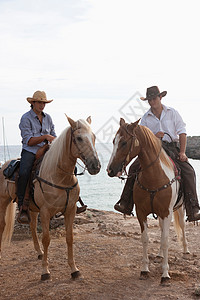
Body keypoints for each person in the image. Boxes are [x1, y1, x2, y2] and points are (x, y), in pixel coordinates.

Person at [114, 86, 200, 222]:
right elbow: (142, 138)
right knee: (133, 168)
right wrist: (154, 136)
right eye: (149, 99)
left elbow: (182, 133)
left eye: (154, 98)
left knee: (188, 170)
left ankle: (193, 208)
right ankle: (126, 203)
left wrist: (182, 152)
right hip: (152, 149)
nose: (152, 102)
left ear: (160, 97)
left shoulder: (173, 113)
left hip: (171, 148)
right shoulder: (146, 118)